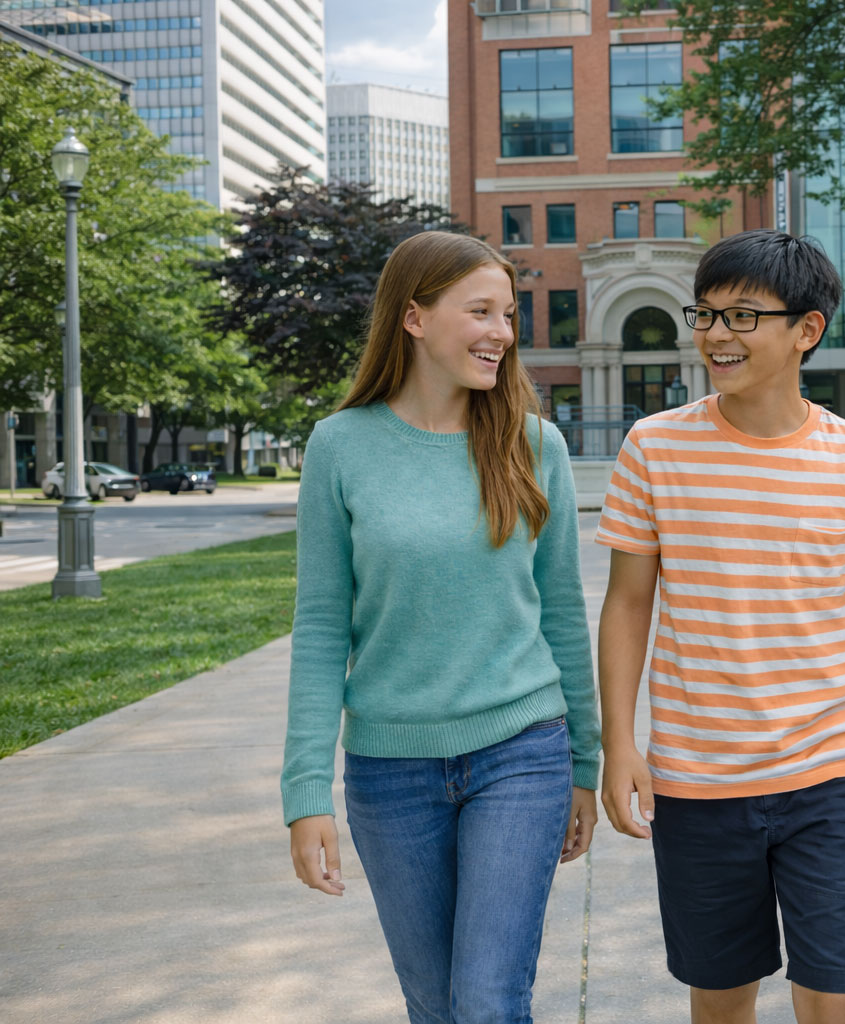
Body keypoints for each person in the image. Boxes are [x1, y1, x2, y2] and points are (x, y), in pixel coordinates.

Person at [596, 229, 845, 1024]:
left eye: (742, 317)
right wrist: (619, 742)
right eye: (705, 315)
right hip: (699, 777)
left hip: (831, 768)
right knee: (719, 998)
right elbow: (626, 604)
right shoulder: (655, 447)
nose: (715, 335)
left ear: (806, 330)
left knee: (839, 995)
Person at [281, 231, 599, 1024]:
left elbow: (561, 611)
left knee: (487, 1003)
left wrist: (586, 762)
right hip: (390, 773)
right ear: (415, 317)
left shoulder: (534, 445)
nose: (503, 332)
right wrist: (304, 792)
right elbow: (321, 627)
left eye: (509, 314)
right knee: (435, 1006)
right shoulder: (340, 445)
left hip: (521, 755)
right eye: (481, 311)